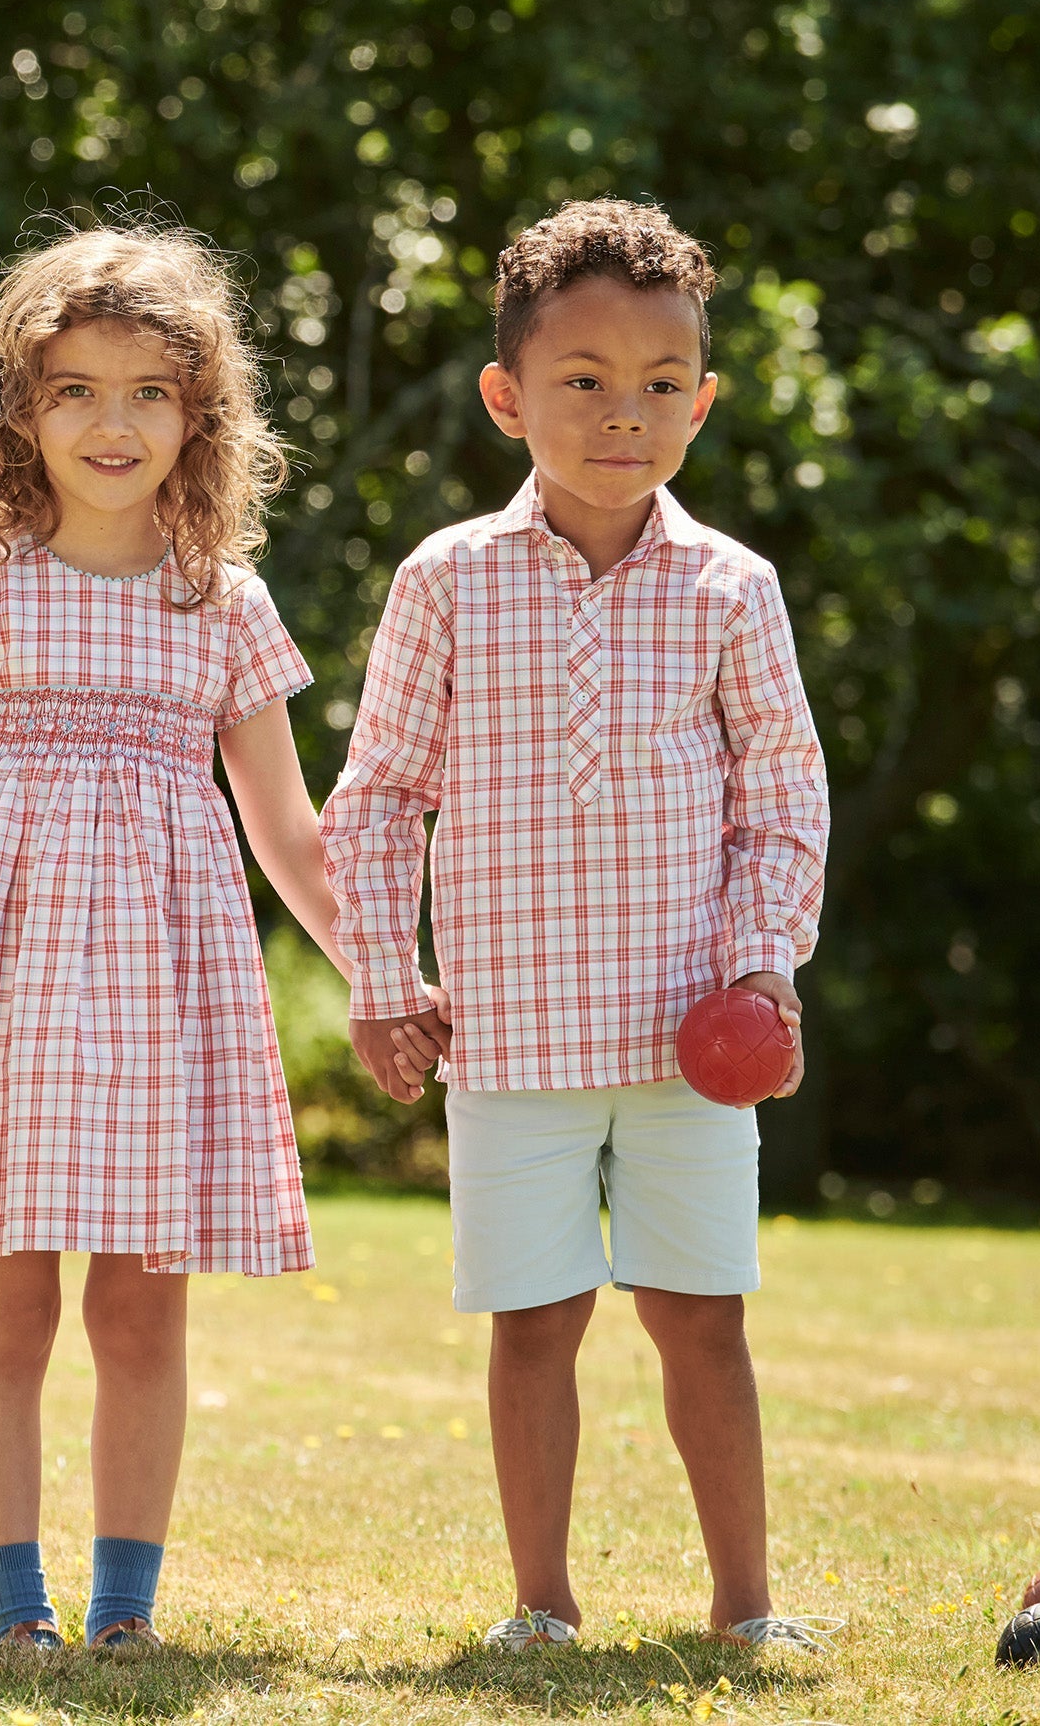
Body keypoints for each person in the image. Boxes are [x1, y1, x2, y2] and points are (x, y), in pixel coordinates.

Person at [321, 199, 835, 1653]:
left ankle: (748, 1607)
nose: (628, 413)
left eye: (664, 382)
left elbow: (782, 801)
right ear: (508, 396)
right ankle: (540, 1606)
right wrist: (380, 976)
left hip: (689, 1044)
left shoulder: (735, 587)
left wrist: (759, 964)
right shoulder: (445, 583)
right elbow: (379, 798)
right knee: (535, 1325)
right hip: (513, 1036)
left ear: (706, 398)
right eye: (586, 380)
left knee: (702, 1320)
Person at [0, 221, 364, 1652]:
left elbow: (286, 826)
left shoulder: (224, 602)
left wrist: (383, 968)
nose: (112, 421)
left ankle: (125, 1612)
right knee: (5, 1319)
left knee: (143, 1320)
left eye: (148, 390)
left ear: (199, 412)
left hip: (163, 1015)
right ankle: (13, 1614)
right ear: (20, 410)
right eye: (75, 388)